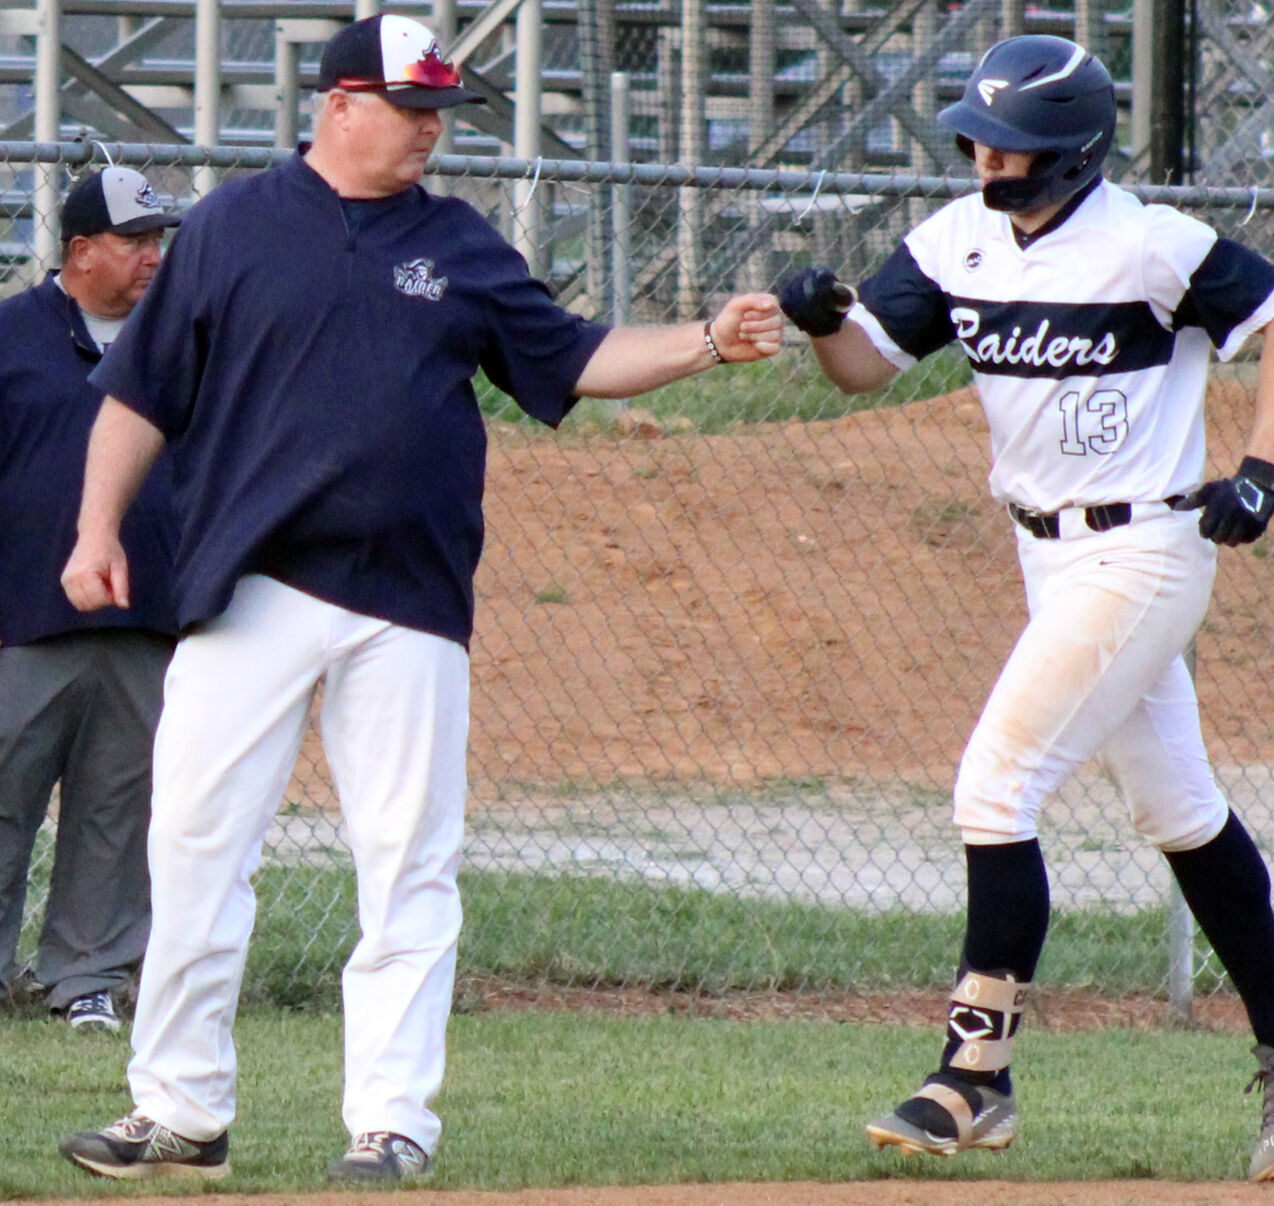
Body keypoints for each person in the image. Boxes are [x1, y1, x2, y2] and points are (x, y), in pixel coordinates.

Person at [55, 13, 780, 1186]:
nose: (433, 131)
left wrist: (706, 341)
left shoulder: (460, 242)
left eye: (443, 111)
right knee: (192, 849)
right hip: (250, 587)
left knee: (406, 864)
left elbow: (574, 355)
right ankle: (180, 1112)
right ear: (340, 105)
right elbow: (137, 398)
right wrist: (95, 531)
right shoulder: (233, 227)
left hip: (409, 600)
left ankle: (390, 1122)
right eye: (413, 108)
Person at [779, 34, 1274, 1184]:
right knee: (1176, 805)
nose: (993, 159)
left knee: (995, 783)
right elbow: (864, 366)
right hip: (1047, 553)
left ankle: (973, 1075)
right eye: (981, 139)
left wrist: (1263, 467)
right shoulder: (956, 240)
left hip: (1146, 544)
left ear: (1077, 151)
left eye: (1018, 145)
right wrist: (818, 318)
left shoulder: (1144, 242)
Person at [0, 167, 179, 1035]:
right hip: (21, 622)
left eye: (159, 241)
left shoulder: (182, 345)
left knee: (119, 808)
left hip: (146, 620)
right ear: (79, 252)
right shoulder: (10, 336)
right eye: (135, 241)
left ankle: (89, 980)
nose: (153, 257)